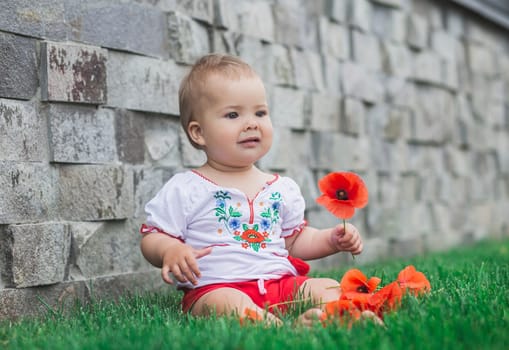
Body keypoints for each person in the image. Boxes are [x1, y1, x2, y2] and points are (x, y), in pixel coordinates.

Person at [139, 53, 364, 326]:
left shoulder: (281, 188)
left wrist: (331, 240)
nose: (251, 123)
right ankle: (275, 327)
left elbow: (294, 241)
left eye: (260, 112)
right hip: (217, 288)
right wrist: (168, 250)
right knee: (228, 305)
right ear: (199, 133)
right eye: (233, 114)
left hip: (280, 284)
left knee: (326, 287)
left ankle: (344, 317)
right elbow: (152, 237)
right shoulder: (186, 188)